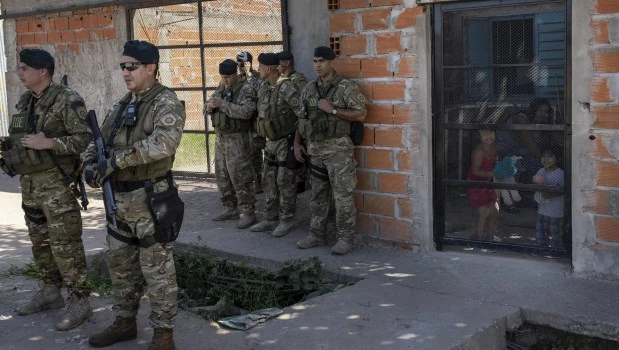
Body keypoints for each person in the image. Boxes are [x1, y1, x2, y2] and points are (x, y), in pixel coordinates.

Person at [84, 40, 185, 350]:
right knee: (121, 267)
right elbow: (98, 139)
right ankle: (125, 322)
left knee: (157, 272)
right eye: (122, 66)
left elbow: (163, 144)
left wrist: (115, 161)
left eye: (132, 66)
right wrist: (90, 164)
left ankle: (163, 335)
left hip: (151, 200)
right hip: (120, 203)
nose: (125, 72)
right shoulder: (121, 104)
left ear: (150, 67)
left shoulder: (165, 102)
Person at [0, 49, 93, 330]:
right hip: (30, 185)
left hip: (57, 186)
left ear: (43, 71)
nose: (19, 72)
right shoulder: (26, 100)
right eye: (19, 67)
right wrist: (8, 145)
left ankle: (80, 301)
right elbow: (24, 137)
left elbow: (83, 138)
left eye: (24, 68)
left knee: (66, 245)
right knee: (40, 244)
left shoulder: (67, 99)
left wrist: (49, 143)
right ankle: (50, 292)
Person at [294, 46, 367, 255]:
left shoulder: (345, 87)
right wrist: (297, 143)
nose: (318, 65)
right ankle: (317, 234)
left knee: (343, 195)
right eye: (315, 61)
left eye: (322, 61)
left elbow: (361, 114)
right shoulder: (309, 89)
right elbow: (302, 117)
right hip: (315, 150)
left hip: (338, 151)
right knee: (317, 195)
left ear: (331, 62)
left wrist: (333, 110)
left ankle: (345, 238)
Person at [249, 52, 303, 237]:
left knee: (285, 181)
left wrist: (297, 143)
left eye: (261, 67)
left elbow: (301, 116)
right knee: (268, 179)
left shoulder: (287, 88)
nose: (258, 70)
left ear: (270, 69)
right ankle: (270, 218)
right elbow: (261, 115)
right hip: (271, 142)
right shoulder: (264, 87)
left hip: (286, 141)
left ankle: (287, 219)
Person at [206, 59, 257, 229]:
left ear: (236, 74)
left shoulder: (246, 89)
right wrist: (209, 106)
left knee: (240, 176)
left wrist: (223, 105)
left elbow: (247, 112)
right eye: (222, 77)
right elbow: (210, 102)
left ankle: (248, 212)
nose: (225, 80)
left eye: (228, 77)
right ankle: (230, 208)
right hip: (221, 137)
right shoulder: (222, 86)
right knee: (222, 175)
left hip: (238, 138)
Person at [278, 50, 309, 194]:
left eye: (279, 64)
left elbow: (303, 109)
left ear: (286, 63)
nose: (277, 67)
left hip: (299, 129)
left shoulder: (297, 80)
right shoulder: (283, 81)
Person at [237, 51, 265, 194]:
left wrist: (248, 75)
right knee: (244, 153)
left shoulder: (257, 78)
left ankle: (260, 181)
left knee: (256, 153)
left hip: (255, 123)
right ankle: (249, 182)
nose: (242, 67)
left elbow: (260, 97)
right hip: (242, 123)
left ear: (250, 63)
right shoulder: (236, 80)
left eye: (245, 63)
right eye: (240, 64)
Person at [466, 129, 499, 241]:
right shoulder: (478, 151)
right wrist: (494, 173)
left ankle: (490, 237)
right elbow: (475, 171)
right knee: (483, 212)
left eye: (491, 132)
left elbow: (494, 166)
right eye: (484, 133)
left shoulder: (494, 149)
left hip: (487, 183)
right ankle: (479, 241)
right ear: (479, 135)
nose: (488, 136)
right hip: (476, 184)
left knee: (494, 210)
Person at [533, 149, 565, 249]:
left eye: (550, 157)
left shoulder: (560, 174)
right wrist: (535, 181)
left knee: (556, 238)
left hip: (555, 213)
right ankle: (542, 254)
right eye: (544, 156)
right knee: (541, 237)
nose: (546, 159)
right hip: (542, 211)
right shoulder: (541, 171)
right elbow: (535, 184)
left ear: (557, 158)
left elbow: (560, 191)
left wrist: (547, 191)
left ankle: (557, 254)